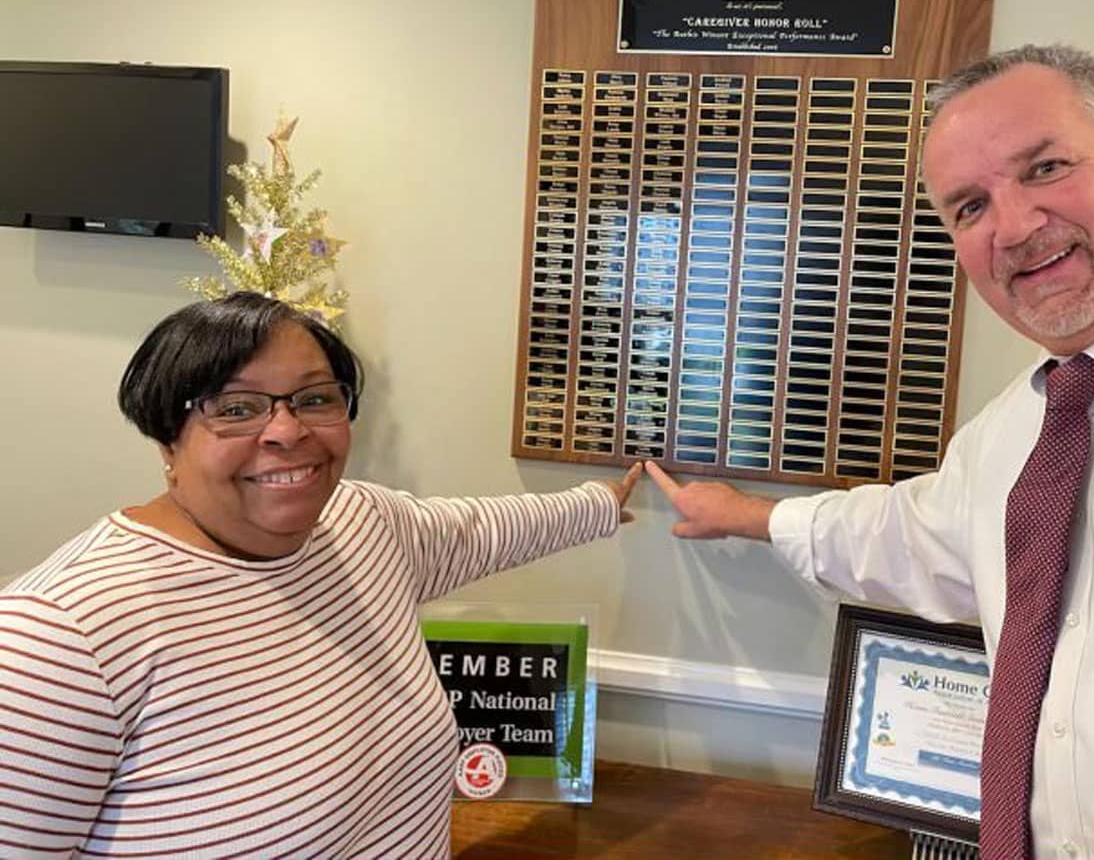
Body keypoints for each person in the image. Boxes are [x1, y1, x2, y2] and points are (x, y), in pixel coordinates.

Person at [647, 44, 1094, 859]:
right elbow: (902, 533)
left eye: (1046, 167)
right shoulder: (1011, 435)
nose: (1015, 227)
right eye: (970, 206)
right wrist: (746, 515)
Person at [0, 292, 640, 859]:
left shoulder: (361, 525)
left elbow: (482, 531)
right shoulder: (57, 639)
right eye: (237, 407)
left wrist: (603, 503)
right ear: (167, 437)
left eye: (315, 399)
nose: (287, 431)